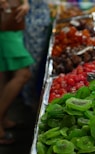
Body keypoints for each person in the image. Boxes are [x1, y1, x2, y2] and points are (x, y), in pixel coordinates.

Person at [0, 0, 34, 144]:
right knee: (23, 74)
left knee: (4, 75)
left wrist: (25, 3)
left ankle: (3, 120)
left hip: (12, 22)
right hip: (5, 26)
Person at [22, 0, 51, 111]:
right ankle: (28, 99)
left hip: (39, 19)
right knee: (32, 63)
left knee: (34, 62)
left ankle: (30, 97)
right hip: (34, 21)